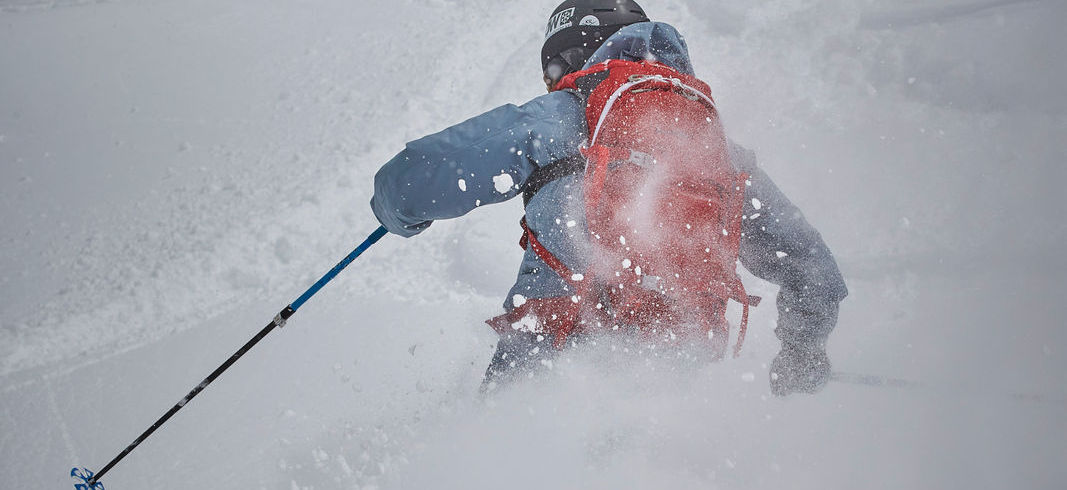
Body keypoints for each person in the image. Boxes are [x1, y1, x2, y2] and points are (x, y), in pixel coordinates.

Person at [370, 0, 847, 396]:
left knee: (505, 462)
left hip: (553, 351)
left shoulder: (558, 116)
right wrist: (802, 354)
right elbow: (813, 266)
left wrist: (394, 209)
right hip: (681, 373)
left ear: (569, 58)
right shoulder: (717, 149)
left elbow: (418, 177)